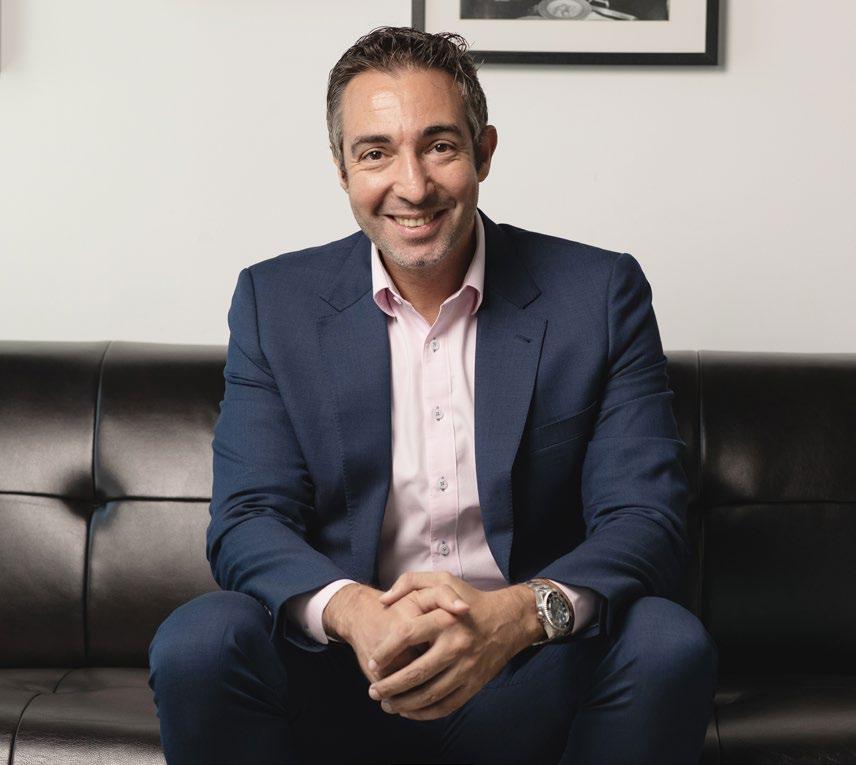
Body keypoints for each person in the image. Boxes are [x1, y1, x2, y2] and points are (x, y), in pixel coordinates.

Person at [148, 26, 717, 765]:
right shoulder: (273, 302)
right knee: (199, 639)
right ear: (341, 169)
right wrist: (354, 612)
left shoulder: (599, 295)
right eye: (375, 153)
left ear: (484, 151)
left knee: (668, 639)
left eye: (440, 146)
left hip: (532, 665)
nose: (412, 186)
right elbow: (248, 519)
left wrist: (516, 617)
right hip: (345, 674)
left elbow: (646, 519)